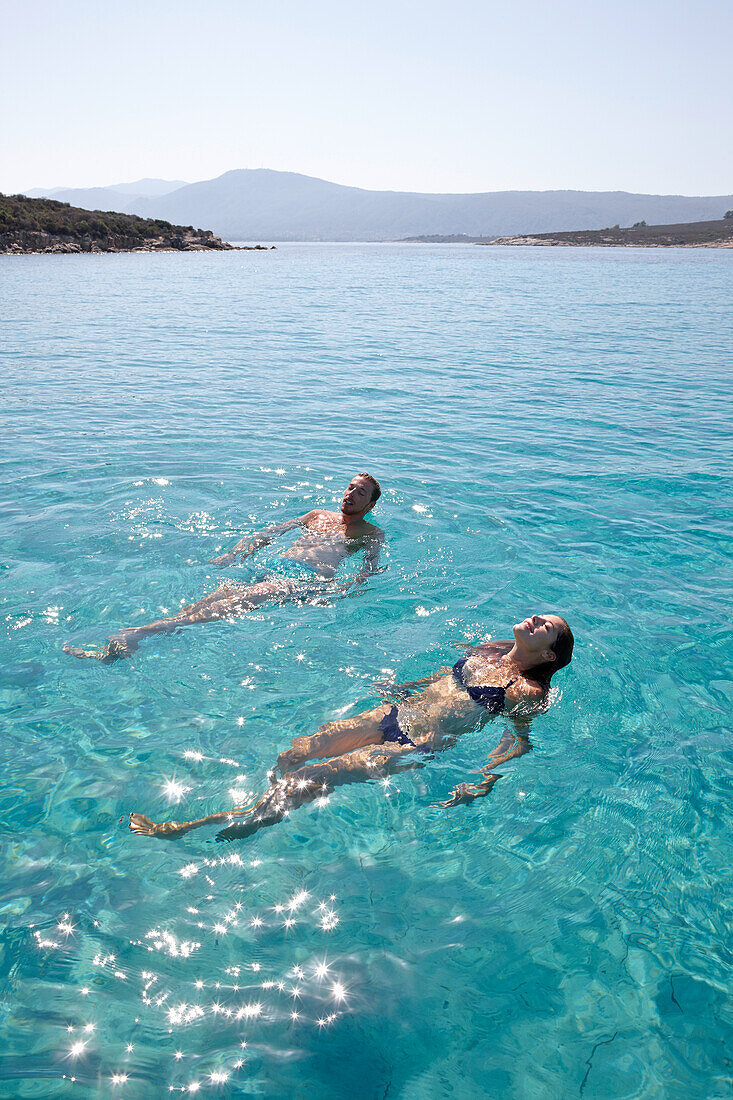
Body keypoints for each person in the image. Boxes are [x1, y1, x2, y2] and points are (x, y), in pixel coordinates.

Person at [129, 613, 573, 840]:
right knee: (295, 753)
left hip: (413, 745)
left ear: (550, 654)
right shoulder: (489, 652)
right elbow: (443, 680)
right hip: (392, 715)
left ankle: (211, 827)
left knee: (307, 777)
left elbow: (517, 741)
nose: (534, 620)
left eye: (546, 626)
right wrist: (402, 689)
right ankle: (268, 804)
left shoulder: (528, 692)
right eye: (537, 615)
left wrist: (481, 784)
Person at [64, 472, 383, 662]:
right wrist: (235, 554)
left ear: (370, 506)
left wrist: (344, 590)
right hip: (274, 566)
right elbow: (268, 534)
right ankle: (128, 642)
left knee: (229, 605)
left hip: (302, 580)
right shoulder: (316, 515)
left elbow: (367, 569)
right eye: (350, 487)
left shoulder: (370, 534)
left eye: (360, 493)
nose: (351, 494)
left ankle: (136, 635)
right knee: (208, 602)